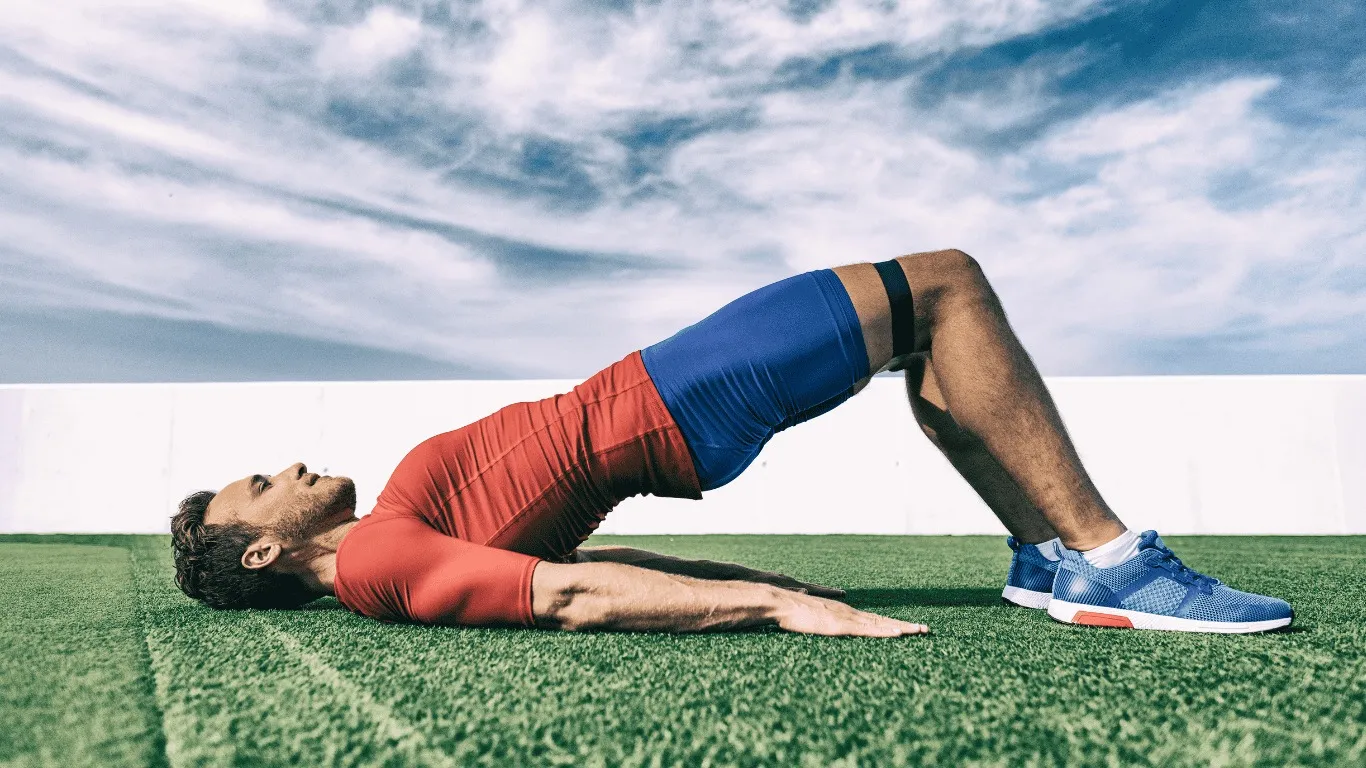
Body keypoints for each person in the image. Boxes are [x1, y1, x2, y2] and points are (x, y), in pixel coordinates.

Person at [171, 249, 1293, 636]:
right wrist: (775, 607)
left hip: (659, 397)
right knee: (944, 286)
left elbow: (571, 570)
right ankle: (1109, 559)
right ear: (262, 550)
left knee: (928, 329)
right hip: (668, 400)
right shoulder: (372, 564)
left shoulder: (388, 542)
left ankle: (1044, 561)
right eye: (260, 486)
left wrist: (748, 574)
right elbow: (567, 599)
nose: (288, 469)